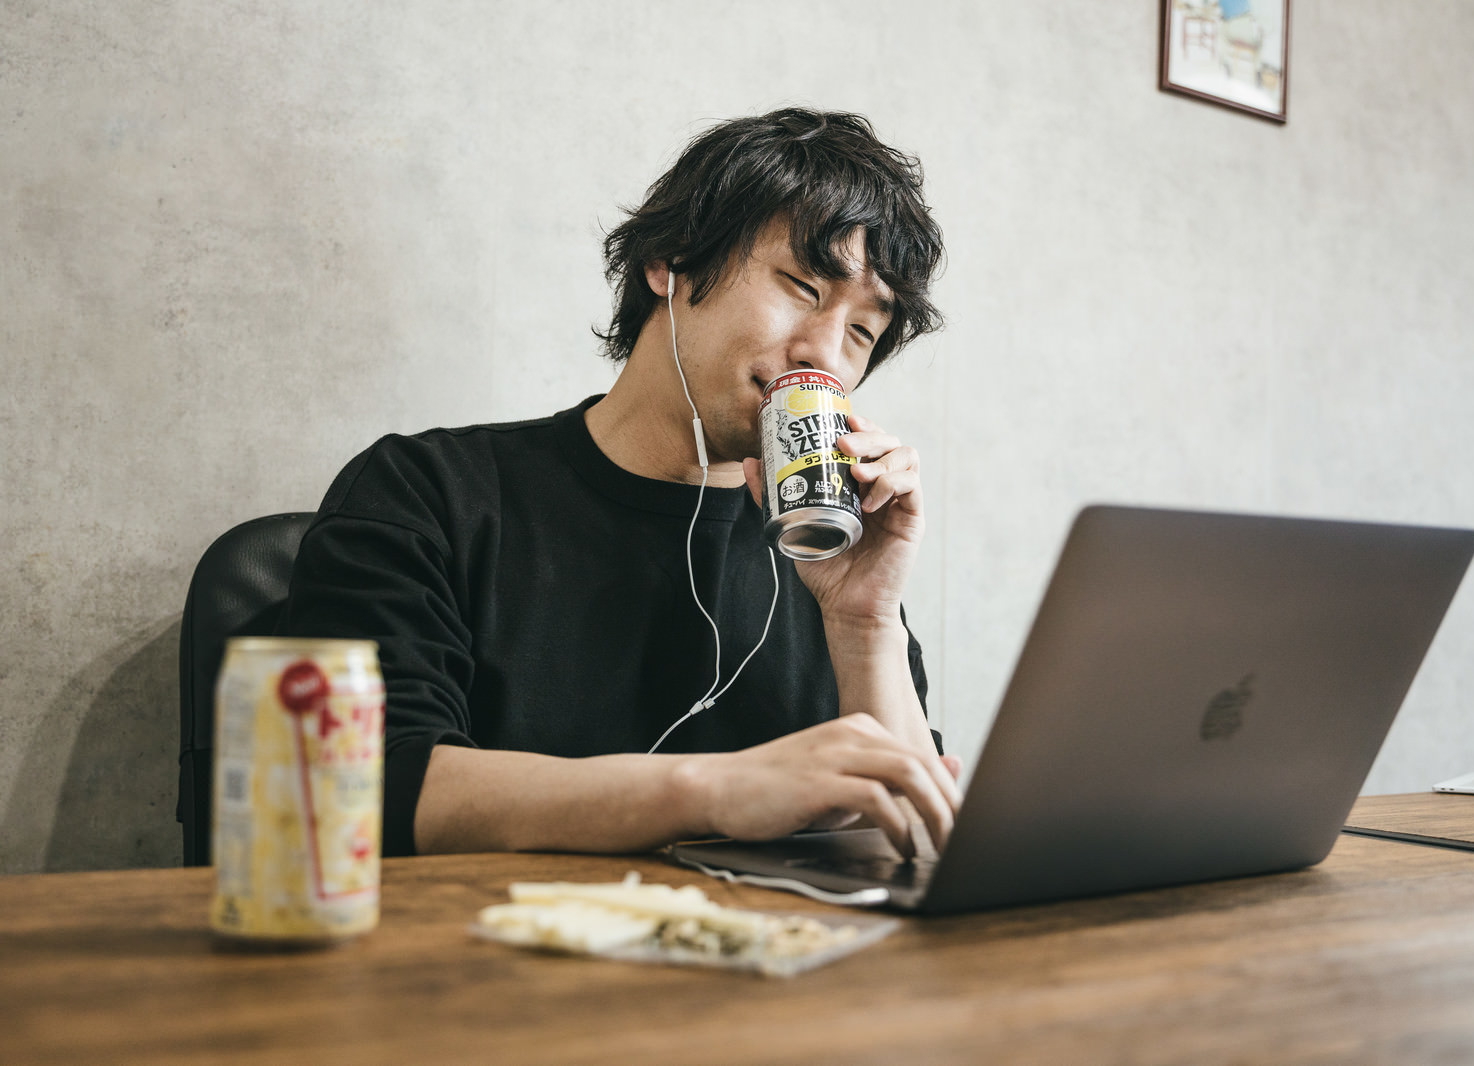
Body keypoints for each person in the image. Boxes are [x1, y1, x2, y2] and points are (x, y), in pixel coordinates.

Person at [278, 108, 962, 862]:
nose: (827, 353)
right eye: (802, 286)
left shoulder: (827, 550)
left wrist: (867, 623)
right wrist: (711, 790)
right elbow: (362, 786)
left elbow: (913, 843)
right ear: (671, 261)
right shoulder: (431, 492)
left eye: (863, 331)